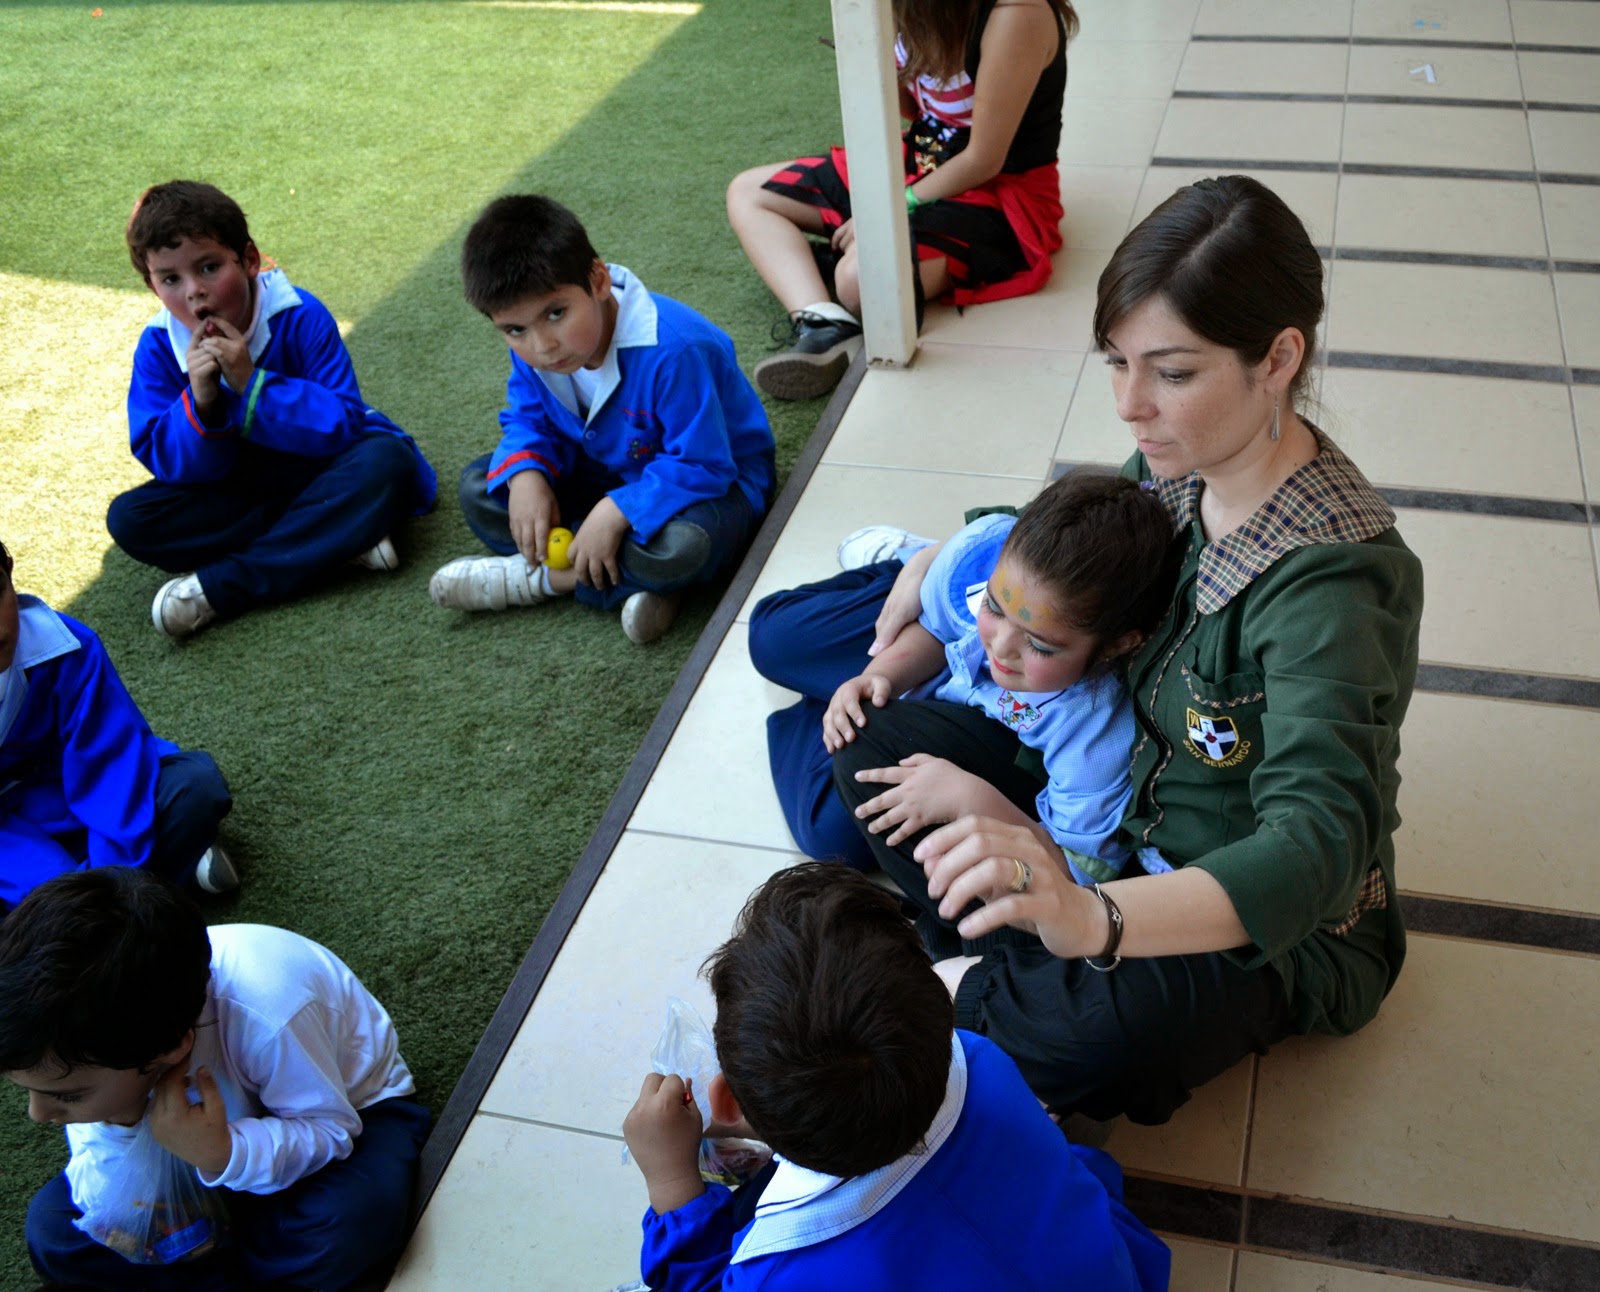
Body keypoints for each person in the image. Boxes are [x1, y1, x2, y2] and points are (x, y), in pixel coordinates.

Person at [749, 175, 1424, 1127]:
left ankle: (994, 958)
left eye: (1172, 373)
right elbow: (1069, 539)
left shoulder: (1337, 586)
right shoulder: (1180, 464)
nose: (1131, 406)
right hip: (1094, 806)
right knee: (872, 747)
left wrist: (1089, 912)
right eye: (1116, 363)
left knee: (1095, 1036)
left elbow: (1314, 848)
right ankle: (1001, 950)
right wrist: (943, 560)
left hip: (1228, 904)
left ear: (1278, 358)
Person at [621, 862, 1170, 1291]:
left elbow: (704, 1283)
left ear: (726, 1102)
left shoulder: (774, 1275)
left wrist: (671, 1180)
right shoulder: (981, 1059)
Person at [3, 866, 430, 1290]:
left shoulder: (269, 1013)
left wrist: (223, 1154)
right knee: (54, 1231)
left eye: (68, 1096)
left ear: (171, 1050)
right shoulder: (93, 1033)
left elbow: (331, 1131)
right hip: (193, 1144)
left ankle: (219, 1264)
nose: (38, 1114)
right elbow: (103, 1182)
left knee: (347, 1223)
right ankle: (247, 1261)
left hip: (350, 1117)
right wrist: (123, 1127)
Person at [428, 195, 776, 645]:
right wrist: (526, 474)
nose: (542, 346)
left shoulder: (674, 350)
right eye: (515, 330)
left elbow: (705, 465)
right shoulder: (537, 354)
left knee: (689, 545)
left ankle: (548, 579)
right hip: (605, 468)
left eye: (556, 313)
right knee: (482, 487)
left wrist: (616, 511)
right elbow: (528, 420)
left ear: (598, 280)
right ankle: (643, 578)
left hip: (716, 483)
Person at [820, 471, 1179, 903]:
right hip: (946, 709)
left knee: (828, 825)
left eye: (1039, 645)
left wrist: (972, 799)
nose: (1000, 647)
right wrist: (877, 677)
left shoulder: (1096, 733)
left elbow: (1081, 876)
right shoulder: (991, 557)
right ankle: (910, 558)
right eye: (992, 606)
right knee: (775, 639)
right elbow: (937, 630)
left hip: (997, 779)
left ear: (1115, 646)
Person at [108, 180, 438, 638]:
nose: (195, 292)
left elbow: (343, 425)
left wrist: (251, 384)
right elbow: (166, 461)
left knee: (388, 463)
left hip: (317, 472)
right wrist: (201, 404)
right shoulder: (158, 347)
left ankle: (221, 587)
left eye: (208, 267)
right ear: (152, 286)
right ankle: (334, 544)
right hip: (241, 489)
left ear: (248, 259)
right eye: (171, 280)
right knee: (131, 520)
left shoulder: (299, 313)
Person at [726, 0, 1077, 401]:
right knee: (750, 192)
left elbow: (984, 159)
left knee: (859, 281)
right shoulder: (915, 10)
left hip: (998, 195)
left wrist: (887, 208)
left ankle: (833, 265)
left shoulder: (1016, 13)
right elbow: (916, 109)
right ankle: (823, 322)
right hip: (922, 161)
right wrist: (872, 49)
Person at [0, 539, 234, 909]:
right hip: (12, 850)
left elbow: (113, 772)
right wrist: (58, 886)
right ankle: (165, 881)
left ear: (10, 574)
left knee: (193, 788)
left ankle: (130, 896)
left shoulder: (64, 646)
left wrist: (104, 890)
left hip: (80, 811)